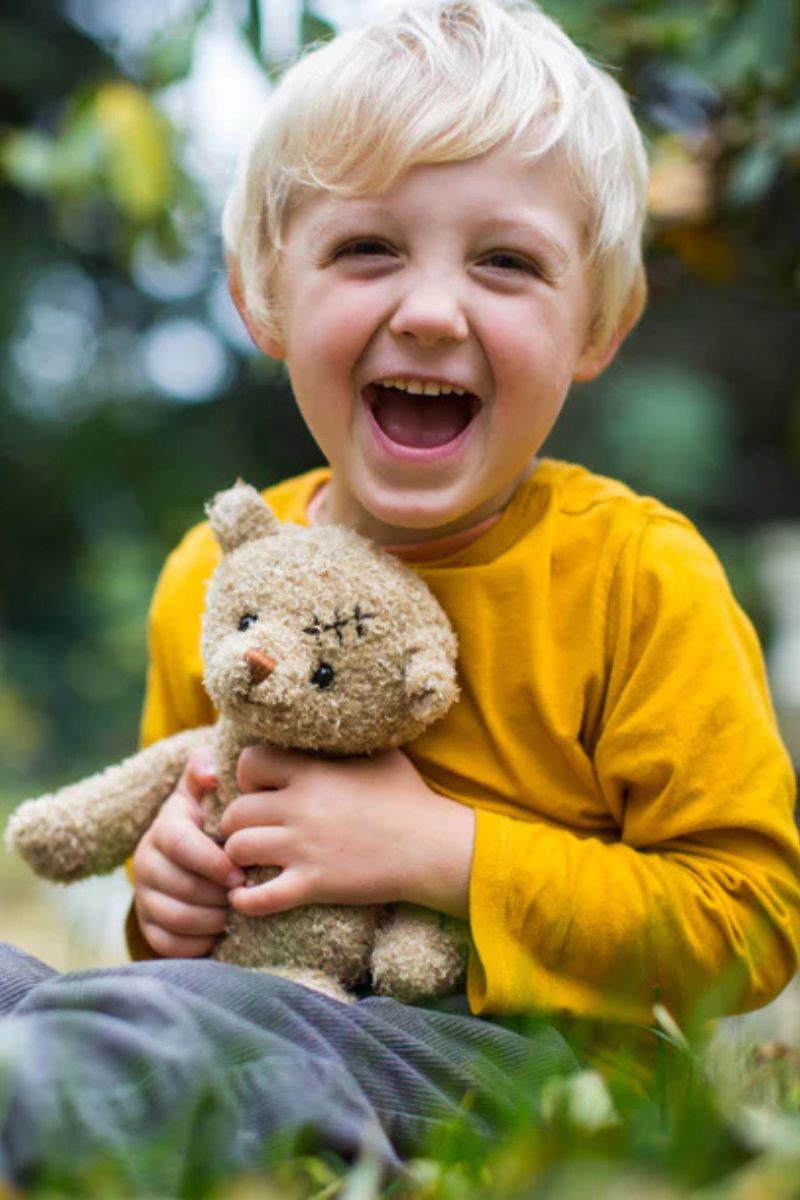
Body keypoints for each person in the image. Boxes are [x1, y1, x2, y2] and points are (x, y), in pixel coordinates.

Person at [2, 0, 798, 1189]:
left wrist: (444, 853)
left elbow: (747, 922)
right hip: (244, 1011)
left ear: (597, 323)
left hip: (523, 1072)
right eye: (367, 248)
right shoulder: (214, 577)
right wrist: (165, 897)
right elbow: (184, 943)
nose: (429, 311)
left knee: (158, 1041)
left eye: (506, 262)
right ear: (260, 296)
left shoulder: (635, 577)